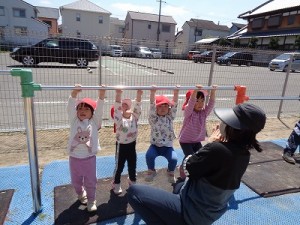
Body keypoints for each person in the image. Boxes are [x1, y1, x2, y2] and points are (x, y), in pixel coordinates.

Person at [127, 103, 266, 225]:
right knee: (179, 186)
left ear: (234, 128)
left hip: (190, 214)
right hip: (208, 215)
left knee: (135, 193)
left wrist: (209, 143)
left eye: (226, 121)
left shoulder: (217, 149)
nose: (220, 123)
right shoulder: (244, 155)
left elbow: (185, 169)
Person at [67, 84, 105, 212]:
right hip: (74, 158)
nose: (82, 111)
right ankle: (80, 193)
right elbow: (70, 108)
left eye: (86, 109)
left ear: (92, 113)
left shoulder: (94, 122)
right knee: (76, 182)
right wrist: (74, 94)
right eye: (80, 109)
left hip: (89, 158)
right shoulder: (74, 121)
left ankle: (91, 200)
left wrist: (101, 95)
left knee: (90, 181)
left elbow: (99, 109)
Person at [178, 85, 217, 178]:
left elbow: (211, 104)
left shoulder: (203, 113)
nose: (200, 103)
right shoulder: (189, 113)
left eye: (202, 101)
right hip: (185, 141)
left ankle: (182, 166)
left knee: (200, 156)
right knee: (191, 158)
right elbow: (190, 103)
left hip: (196, 141)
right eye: (197, 101)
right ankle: (183, 171)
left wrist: (213, 92)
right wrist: (195, 91)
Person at [145, 86, 179, 184]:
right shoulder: (153, 119)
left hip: (168, 147)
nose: (163, 108)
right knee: (149, 156)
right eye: (160, 106)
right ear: (156, 109)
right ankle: (151, 171)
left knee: (174, 159)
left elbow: (175, 106)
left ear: (169, 109)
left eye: (165, 106)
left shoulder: (170, 118)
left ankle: (170, 172)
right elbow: (152, 105)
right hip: (155, 146)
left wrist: (176, 93)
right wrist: (152, 93)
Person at [111, 89, 143, 195]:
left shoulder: (134, 118)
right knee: (119, 166)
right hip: (121, 146)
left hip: (132, 145)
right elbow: (116, 109)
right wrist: (118, 94)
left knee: (132, 164)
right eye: (123, 106)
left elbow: (138, 107)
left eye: (127, 106)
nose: (126, 107)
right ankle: (116, 183)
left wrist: (139, 94)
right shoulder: (119, 121)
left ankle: (132, 181)